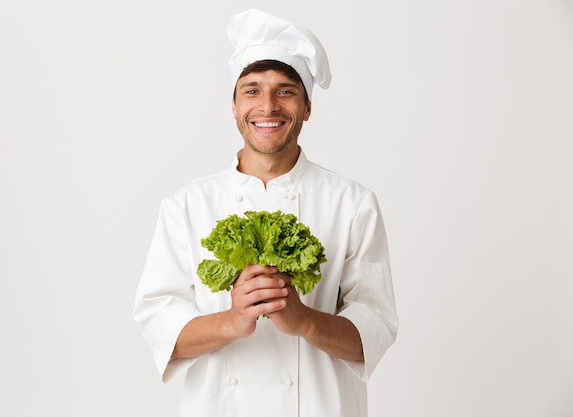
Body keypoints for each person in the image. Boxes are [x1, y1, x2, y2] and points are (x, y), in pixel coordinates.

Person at [134, 9, 398, 417]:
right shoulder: (186, 206)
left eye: (286, 91)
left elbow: (375, 330)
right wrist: (232, 321)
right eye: (252, 90)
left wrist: (303, 320)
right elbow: (159, 327)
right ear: (235, 105)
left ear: (307, 107)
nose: (268, 106)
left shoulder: (353, 203)